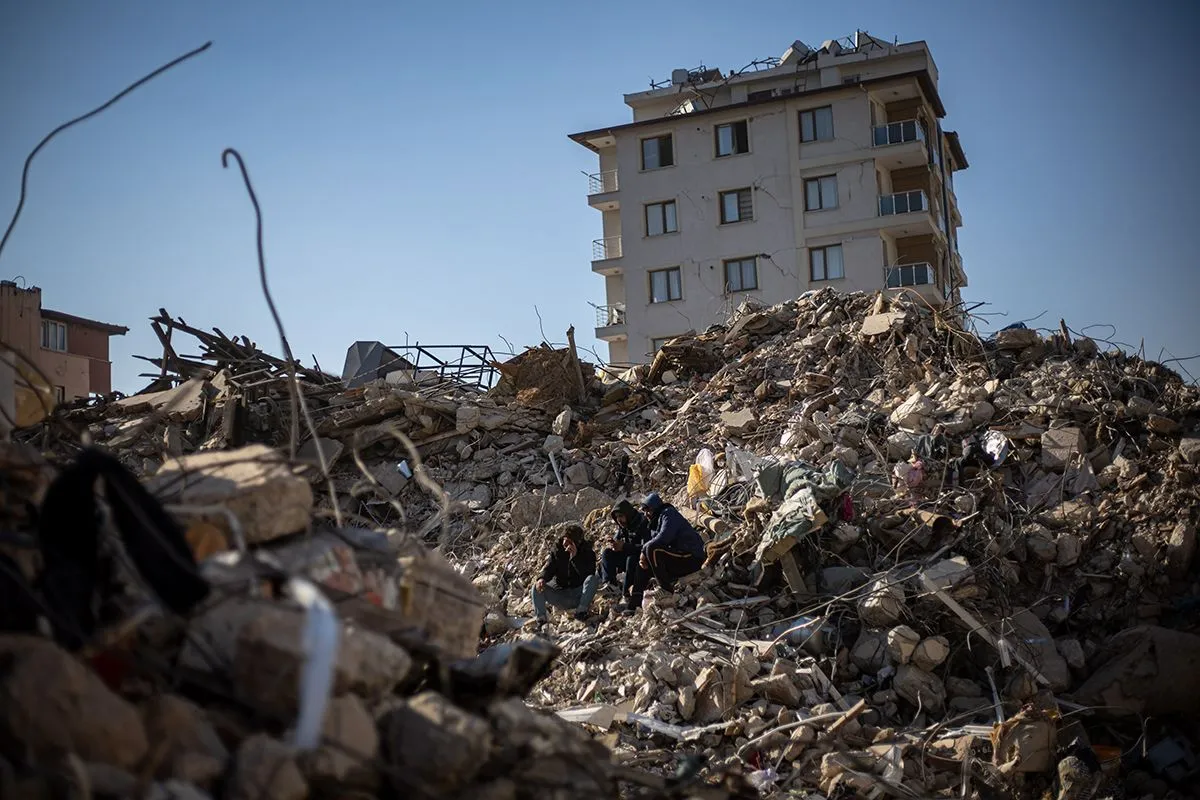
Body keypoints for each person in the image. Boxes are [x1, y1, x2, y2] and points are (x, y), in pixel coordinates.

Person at [629, 492, 705, 610]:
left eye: (648, 510)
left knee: (651, 549)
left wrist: (644, 552)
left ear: (655, 507)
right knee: (641, 564)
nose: (646, 514)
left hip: (691, 557)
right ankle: (634, 604)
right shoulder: (655, 523)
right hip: (678, 558)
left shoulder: (668, 513)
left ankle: (666, 589)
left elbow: (664, 537)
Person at [530, 524, 599, 625]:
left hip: (578, 595)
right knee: (536, 588)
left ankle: (581, 612)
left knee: (593, 579)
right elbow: (549, 569)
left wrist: (575, 558)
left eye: (569, 541)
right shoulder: (558, 552)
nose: (565, 544)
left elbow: (587, 575)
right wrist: (542, 578)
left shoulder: (588, 553)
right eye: (564, 540)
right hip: (560, 594)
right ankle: (541, 620)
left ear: (577, 542)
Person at [599, 500, 651, 605]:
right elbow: (618, 539)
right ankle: (611, 585)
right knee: (607, 554)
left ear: (628, 514)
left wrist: (624, 546)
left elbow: (647, 547)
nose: (619, 520)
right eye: (617, 517)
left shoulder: (643, 523)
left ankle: (626, 594)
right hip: (628, 554)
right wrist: (613, 543)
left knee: (630, 559)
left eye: (621, 516)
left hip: (642, 559)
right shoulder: (623, 526)